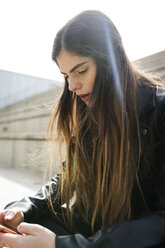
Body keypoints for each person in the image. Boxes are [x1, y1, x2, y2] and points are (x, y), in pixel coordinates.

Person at [0, 10, 165, 248]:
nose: (72, 86)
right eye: (66, 75)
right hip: (96, 235)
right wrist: (22, 210)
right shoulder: (91, 113)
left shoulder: (159, 112)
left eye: (81, 70)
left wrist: (62, 245)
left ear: (112, 59)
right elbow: (67, 181)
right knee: (26, 229)